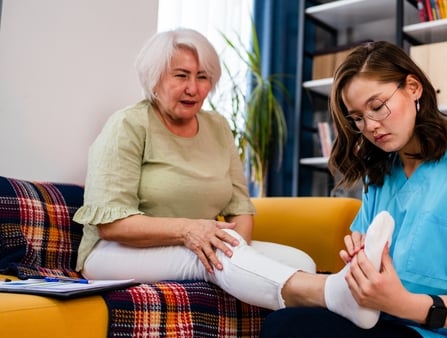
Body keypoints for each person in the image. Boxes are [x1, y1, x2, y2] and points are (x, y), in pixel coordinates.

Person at [73, 28, 396, 327]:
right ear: (154, 79)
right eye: (181, 75)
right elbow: (112, 224)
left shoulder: (216, 126)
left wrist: (236, 244)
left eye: (203, 77)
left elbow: (240, 205)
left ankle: (323, 304)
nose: (193, 88)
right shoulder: (128, 125)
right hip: (113, 253)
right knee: (210, 255)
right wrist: (190, 230)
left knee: (298, 260)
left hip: (196, 241)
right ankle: (336, 294)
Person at [259, 41, 447, 338]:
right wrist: (361, 264)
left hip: (440, 333)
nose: (371, 126)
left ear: (413, 88)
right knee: (281, 324)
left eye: (377, 107)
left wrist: (405, 304)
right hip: (383, 322)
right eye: (358, 118)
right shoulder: (379, 176)